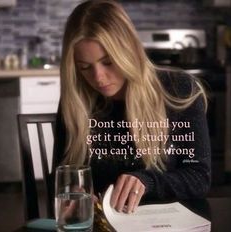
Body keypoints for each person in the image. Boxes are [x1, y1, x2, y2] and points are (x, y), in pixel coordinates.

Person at [53, 0, 211, 214]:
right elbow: (61, 177)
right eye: (85, 67)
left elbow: (199, 178)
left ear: (128, 52)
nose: (98, 78)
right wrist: (74, 192)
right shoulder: (75, 102)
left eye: (108, 62)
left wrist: (147, 181)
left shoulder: (179, 89)